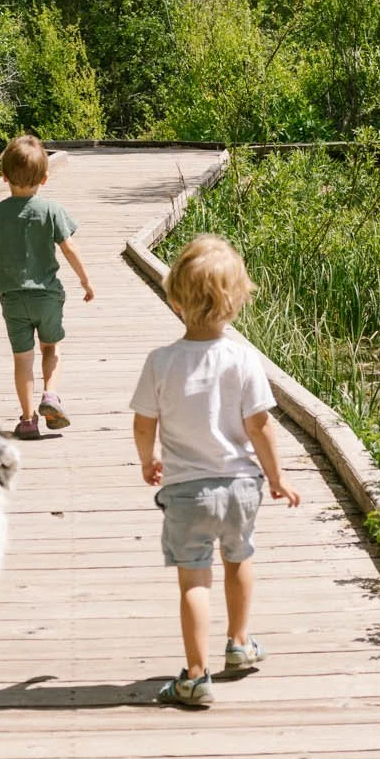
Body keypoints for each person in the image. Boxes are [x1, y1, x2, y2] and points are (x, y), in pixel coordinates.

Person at [131, 233, 300, 710]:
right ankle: (241, 643)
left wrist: (148, 460)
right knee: (239, 558)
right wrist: (278, 476)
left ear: (175, 299)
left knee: (194, 582)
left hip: (187, 491)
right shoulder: (243, 357)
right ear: (237, 301)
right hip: (242, 486)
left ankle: (195, 675)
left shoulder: (161, 362)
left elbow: (144, 423)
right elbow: (261, 425)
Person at [0, 134, 93, 440]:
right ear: (45, 177)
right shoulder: (51, 210)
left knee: (22, 359)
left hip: (12, 298)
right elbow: (68, 248)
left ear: (3, 177)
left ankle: (28, 420)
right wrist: (85, 279)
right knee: (50, 347)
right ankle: (50, 395)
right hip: (47, 296)